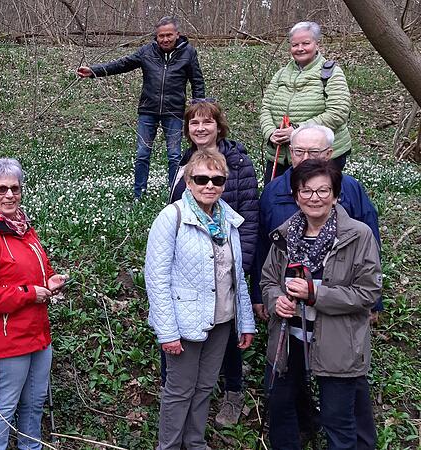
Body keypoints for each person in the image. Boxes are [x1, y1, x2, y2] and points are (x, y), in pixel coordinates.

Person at [251, 124, 382, 446]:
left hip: (337, 342)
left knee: (338, 421)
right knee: (282, 410)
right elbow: (269, 279)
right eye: (306, 191)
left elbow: (368, 291)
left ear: (336, 194)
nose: (314, 198)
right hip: (289, 337)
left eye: (323, 191)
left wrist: (315, 294)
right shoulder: (285, 232)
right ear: (295, 196)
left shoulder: (357, 235)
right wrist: (274, 300)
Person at [145, 150, 255, 450]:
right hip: (184, 322)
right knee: (179, 390)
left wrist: (246, 322)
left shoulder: (228, 219)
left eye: (217, 179)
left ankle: (194, 442)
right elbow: (156, 278)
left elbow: (237, 277)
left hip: (221, 320)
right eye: (201, 179)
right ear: (188, 182)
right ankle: (168, 446)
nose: (210, 185)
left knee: (205, 386)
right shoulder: (172, 217)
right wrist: (166, 331)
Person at [0, 158, 69, 450]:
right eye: (1, 189)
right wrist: (28, 293)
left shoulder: (23, 228)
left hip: (38, 334)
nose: (9, 195)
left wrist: (49, 282)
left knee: (34, 406)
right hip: (7, 340)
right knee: (4, 409)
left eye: (15, 188)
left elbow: (37, 270)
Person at [166, 100, 258, 427]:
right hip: (191, 268)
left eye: (207, 123)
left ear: (219, 126)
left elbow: (249, 215)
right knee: (189, 334)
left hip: (225, 264)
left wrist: (240, 262)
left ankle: (234, 393)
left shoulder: (237, 161)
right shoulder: (184, 162)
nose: (201, 129)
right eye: (194, 124)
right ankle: (179, 405)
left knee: (226, 330)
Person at [77, 16, 205, 196]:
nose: (165, 39)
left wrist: (199, 110)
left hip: (174, 111)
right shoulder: (147, 51)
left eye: (169, 35)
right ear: (156, 36)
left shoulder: (188, 53)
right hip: (148, 110)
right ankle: (139, 195)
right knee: (142, 154)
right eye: (161, 36)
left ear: (177, 34)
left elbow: (197, 81)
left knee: (174, 156)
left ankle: (175, 196)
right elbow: (122, 64)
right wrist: (93, 71)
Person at [259, 21, 351, 184]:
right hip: (281, 156)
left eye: (305, 43)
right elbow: (265, 107)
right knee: (276, 200)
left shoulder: (331, 73)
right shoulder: (281, 74)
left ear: (316, 44)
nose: (300, 48)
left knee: (314, 200)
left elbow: (337, 113)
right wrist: (270, 133)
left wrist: (296, 131)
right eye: (295, 45)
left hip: (319, 155)